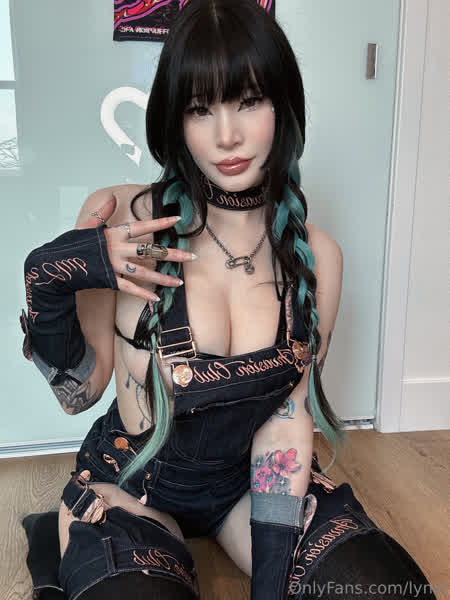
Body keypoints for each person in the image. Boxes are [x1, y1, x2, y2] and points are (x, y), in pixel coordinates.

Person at [20, 0, 437, 598]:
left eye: (249, 101)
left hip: (245, 491)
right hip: (131, 489)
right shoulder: (123, 218)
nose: (226, 136)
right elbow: (77, 394)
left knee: (386, 588)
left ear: (283, 106)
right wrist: (49, 279)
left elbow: (285, 427)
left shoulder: (317, 257)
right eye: (200, 108)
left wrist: (272, 584)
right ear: (175, 119)